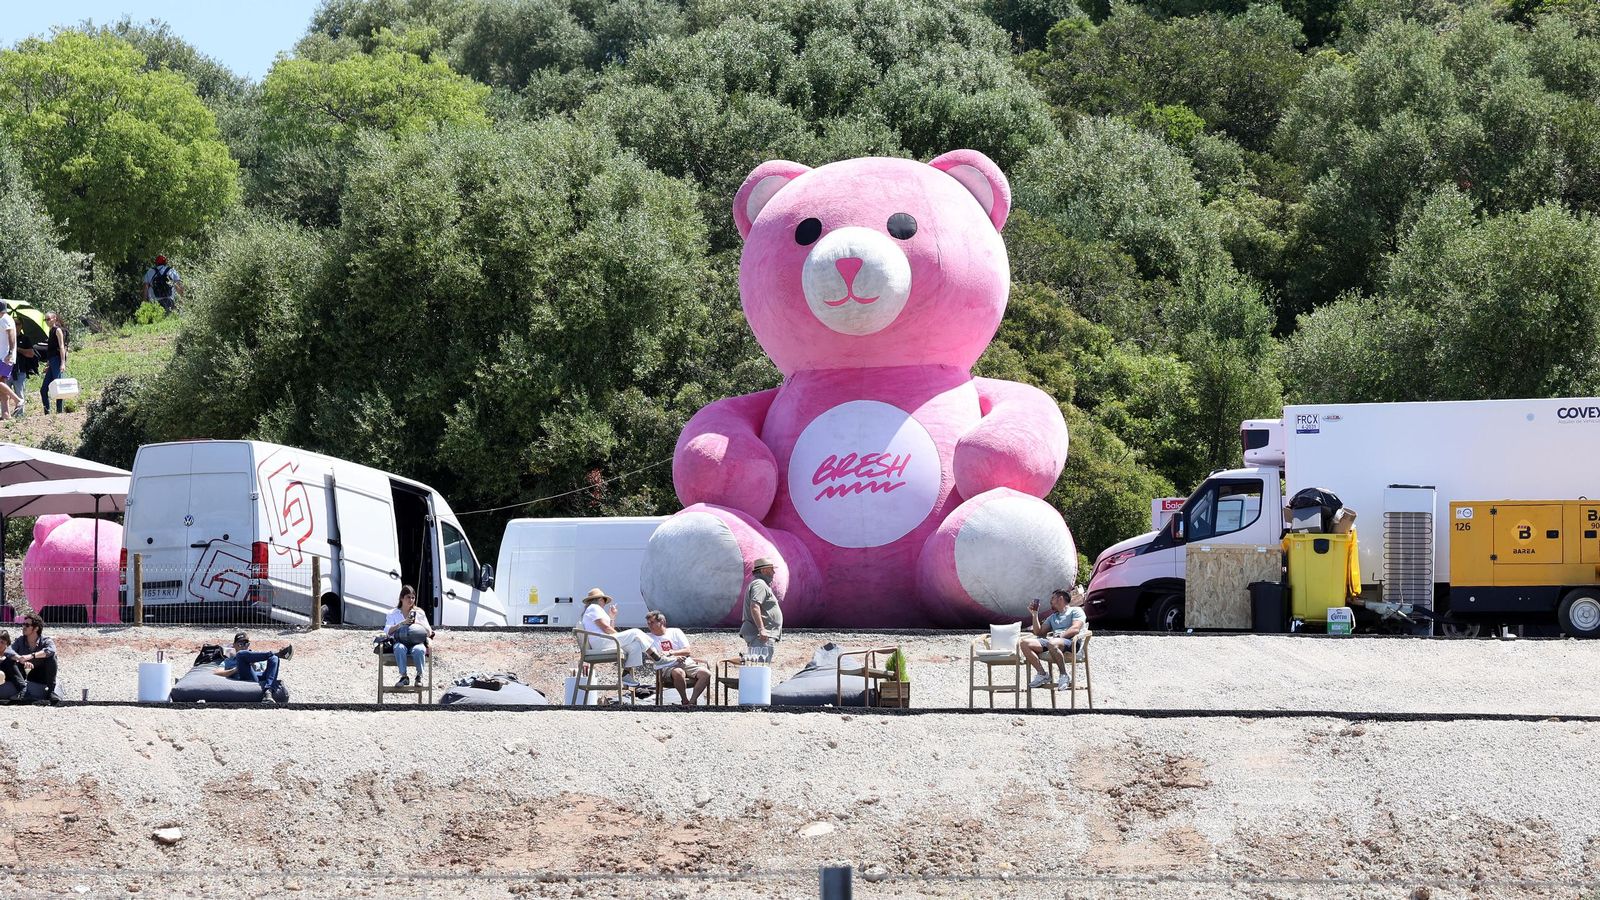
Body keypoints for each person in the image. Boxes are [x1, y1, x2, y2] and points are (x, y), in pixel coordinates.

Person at [578, 587, 651, 686]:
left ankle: (625, 675)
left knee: (635, 646)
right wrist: (617, 636)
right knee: (635, 632)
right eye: (604, 600)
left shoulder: (594, 609)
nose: (605, 603)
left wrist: (612, 617)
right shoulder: (594, 608)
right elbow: (605, 628)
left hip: (603, 641)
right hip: (601, 642)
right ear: (600, 599)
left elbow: (608, 628)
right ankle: (656, 656)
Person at [1021, 588, 1087, 690]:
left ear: (1060, 599)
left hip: (1071, 641)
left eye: (1052, 598)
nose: (1050, 601)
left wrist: (1058, 637)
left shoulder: (1076, 610)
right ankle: (1042, 674)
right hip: (1054, 642)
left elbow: (1075, 629)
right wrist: (1034, 614)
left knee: (1052, 642)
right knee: (1024, 643)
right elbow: (1038, 632)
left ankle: (1064, 675)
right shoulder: (1053, 617)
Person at [645, 610, 710, 706]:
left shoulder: (675, 632)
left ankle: (692, 702)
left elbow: (687, 650)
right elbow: (655, 656)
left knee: (706, 674)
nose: (649, 625)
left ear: (661, 622)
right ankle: (684, 700)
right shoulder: (648, 638)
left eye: (652, 622)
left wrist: (673, 653)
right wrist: (674, 658)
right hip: (666, 665)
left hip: (685, 661)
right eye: (648, 623)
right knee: (679, 672)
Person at [213, 631, 293, 703]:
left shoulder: (259, 657)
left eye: (246, 644)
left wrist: (254, 664)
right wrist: (236, 669)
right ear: (234, 645)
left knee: (274, 658)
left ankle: (268, 691)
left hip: (258, 676)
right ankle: (276, 654)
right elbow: (217, 672)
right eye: (240, 644)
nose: (244, 646)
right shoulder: (229, 661)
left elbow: (269, 672)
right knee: (241, 654)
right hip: (245, 677)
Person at [384, 585, 434, 687]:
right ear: (402, 598)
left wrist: (418, 623)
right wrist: (403, 623)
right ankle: (404, 677)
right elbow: (387, 631)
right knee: (399, 648)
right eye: (408, 597)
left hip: (416, 642)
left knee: (419, 649)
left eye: (413, 597)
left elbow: (429, 632)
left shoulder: (419, 612)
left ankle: (419, 676)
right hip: (400, 641)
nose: (411, 600)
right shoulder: (393, 613)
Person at [10, 615, 61, 704]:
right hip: (24, 673)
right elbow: (9, 652)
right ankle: (21, 691)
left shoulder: (45, 640)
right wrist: (20, 659)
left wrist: (31, 656)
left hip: (41, 675)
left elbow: (51, 650)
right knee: (11, 661)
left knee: (51, 658)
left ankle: (51, 691)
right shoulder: (20, 640)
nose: (23, 627)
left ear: (36, 628)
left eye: (27, 625)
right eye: (23, 624)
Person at [738, 557, 782, 659]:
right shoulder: (759, 584)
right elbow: (754, 606)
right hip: (760, 635)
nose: (774, 572)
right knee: (759, 665)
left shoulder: (760, 584)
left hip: (760, 635)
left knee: (758, 664)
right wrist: (762, 629)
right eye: (771, 569)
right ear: (764, 570)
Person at [39, 311, 66, 415]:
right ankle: (47, 412)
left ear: (55, 318)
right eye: (45, 319)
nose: (47, 321)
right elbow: (50, 350)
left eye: (48, 319)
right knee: (43, 389)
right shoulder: (50, 331)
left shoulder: (57, 330)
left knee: (58, 387)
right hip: (52, 361)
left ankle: (60, 412)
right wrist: (48, 364)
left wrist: (63, 363)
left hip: (57, 361)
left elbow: (61, 347)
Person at [0, 301, 22, 418]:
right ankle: (6, 414)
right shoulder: (5, 319)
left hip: (5, 357)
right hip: (4, 356)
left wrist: (10, 352)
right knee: (2, 384)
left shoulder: (5, 319)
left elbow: (11, 335)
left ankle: (18, 400)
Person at [11, 327, 39, 419]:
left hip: (20, 370)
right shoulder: (6, 337)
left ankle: (20, 416)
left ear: (21, 326)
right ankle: (5, 414)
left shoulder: (25, 339)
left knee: (20, 393)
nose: (15, 326)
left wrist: (17, 349)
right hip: (6, 370)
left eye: (18, 323)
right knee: (4, 394)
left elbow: (31, 353)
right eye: (14, 323)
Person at [0, 631, 25, 701]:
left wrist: (19, 658)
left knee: (9, 661)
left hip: (8, 679)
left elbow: (12, 654)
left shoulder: (9, 652)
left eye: (2, 642)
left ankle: (23, 690)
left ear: (7, 643)